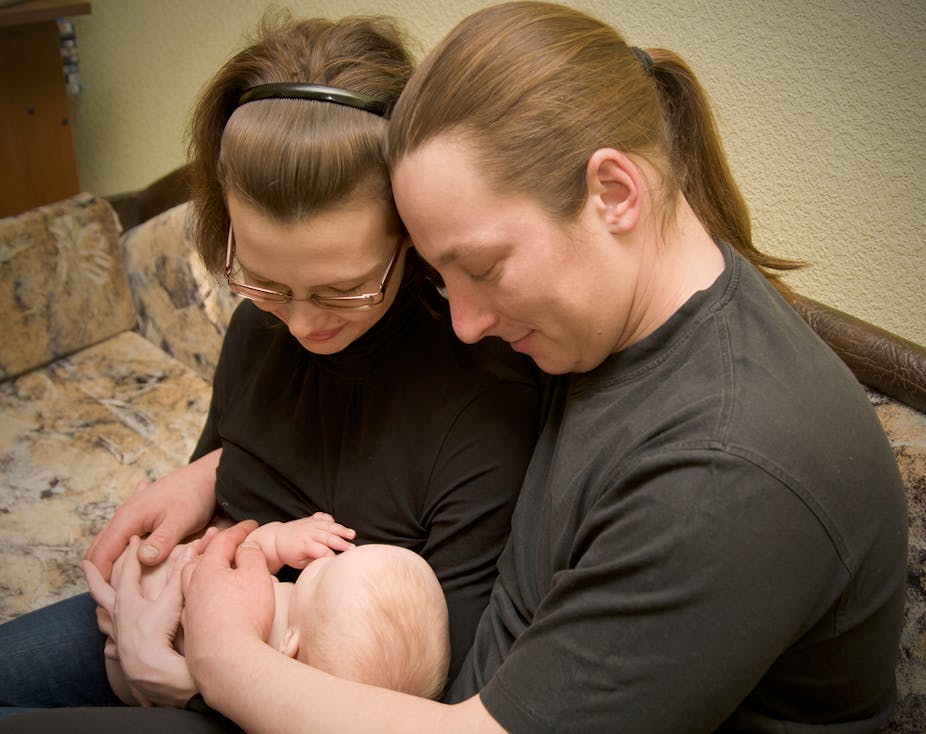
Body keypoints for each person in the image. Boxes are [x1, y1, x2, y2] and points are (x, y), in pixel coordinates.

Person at [0, 1, 907, 732]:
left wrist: (222, 655)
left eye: (477, 267)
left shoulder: (729, 470)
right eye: (438, 275)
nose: (462, 321)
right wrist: (210, 478)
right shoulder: (606, 325)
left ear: (615, 193)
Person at [0, 9, 539, 719]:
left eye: (342, 289)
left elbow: (437, 691)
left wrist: (202, 680)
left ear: (413, 237)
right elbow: (224, 488)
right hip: (177, 619)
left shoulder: (482, 408)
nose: (303, 323)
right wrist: (146, 593)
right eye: (264, 280)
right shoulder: (260, 329)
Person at [81, 518, 450, 706]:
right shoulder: (293, 668)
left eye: (324, 572)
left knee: (141, 566)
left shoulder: (261, 609)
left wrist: (279, 540)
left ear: (291, 642)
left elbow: (250, 549)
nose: (332, 558)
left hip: (134, 653)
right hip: (145, 648)